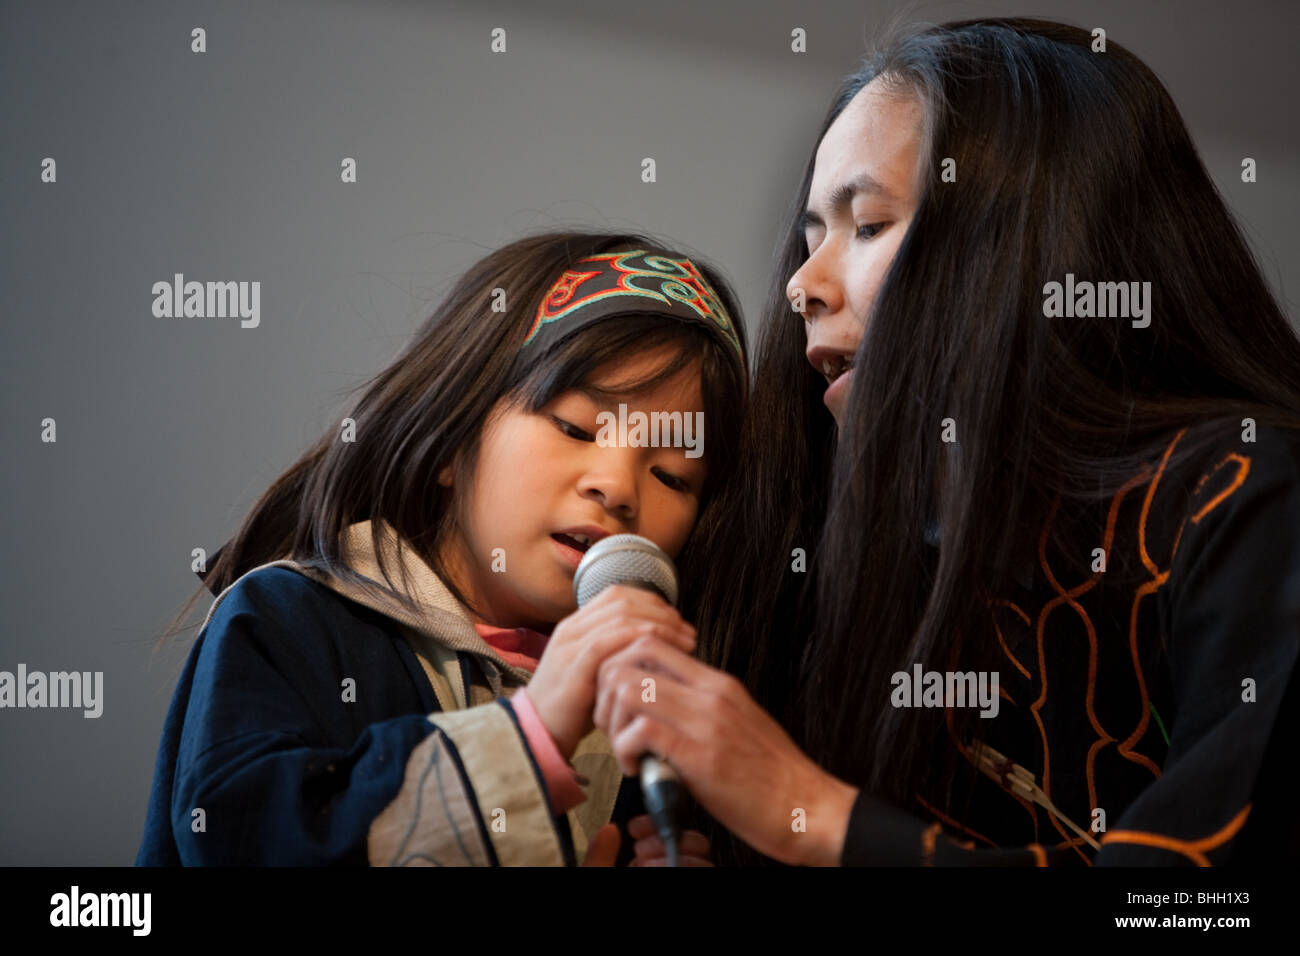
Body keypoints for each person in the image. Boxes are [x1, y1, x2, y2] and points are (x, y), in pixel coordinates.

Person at [592, 18, 1300, 865]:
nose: (801, 285)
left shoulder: (1246, 497)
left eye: (866, 226)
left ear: (1032, 241)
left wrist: (810, 811)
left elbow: (1200, 905)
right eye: (812, 233)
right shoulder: (808, 539)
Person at [135, 231, 746, 866]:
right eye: (575, 427)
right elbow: (244, 840)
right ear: (452, 440)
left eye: (673, 476)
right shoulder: (286, 620)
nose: (618, 488)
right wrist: (529, 736)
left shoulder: (642, 726)